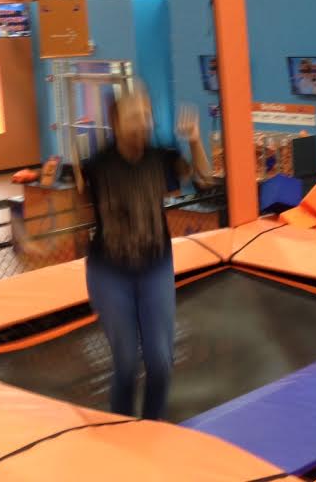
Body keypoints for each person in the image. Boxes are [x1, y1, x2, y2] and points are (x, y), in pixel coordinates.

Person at [76, 87, 211, 420]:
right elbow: (79, 217)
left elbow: (204, 180)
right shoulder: (95, 166)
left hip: (155, 268)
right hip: (109, 273)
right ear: (117, 122)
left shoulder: (161, 158)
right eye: (134, 116)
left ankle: (152, 426)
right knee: (125, 362)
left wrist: (194, 141)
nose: (143, 123)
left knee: (161, 361)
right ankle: (121, 427)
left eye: (146, 116)